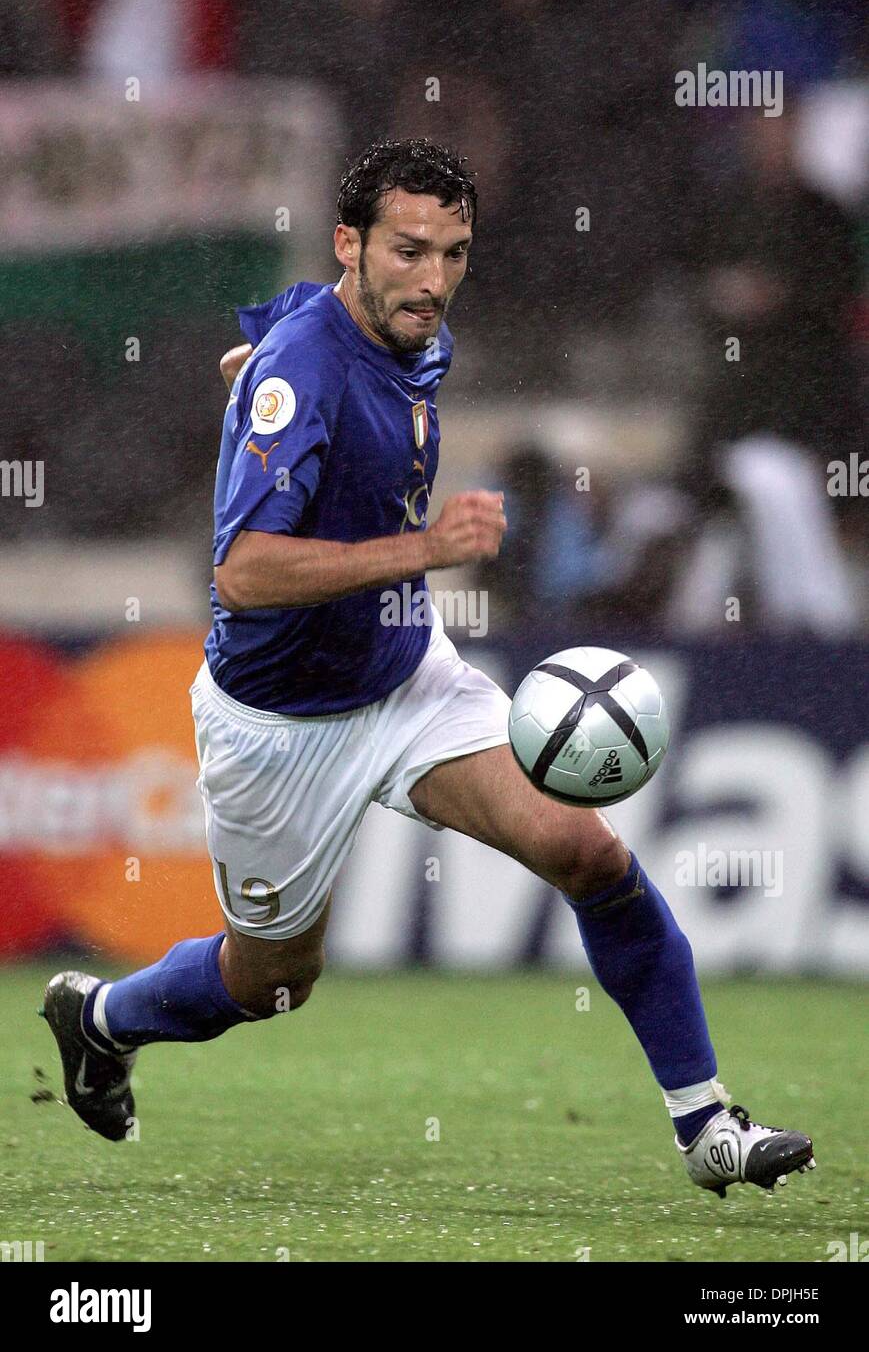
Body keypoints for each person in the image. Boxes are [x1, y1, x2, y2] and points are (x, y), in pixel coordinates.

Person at [43, 138, 814, 1198]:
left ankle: (705, 1124)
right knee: (271, 982)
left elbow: (283, 336)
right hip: (279, 724)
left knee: (582, 850)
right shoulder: (305, 371)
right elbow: (246, 573)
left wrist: (252, 364)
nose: (433, 278)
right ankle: (99, 1018)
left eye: (453, 252)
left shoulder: (401, 327)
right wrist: (426, 543)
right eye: (408, 251)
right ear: (349, 243)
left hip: (406, 676)